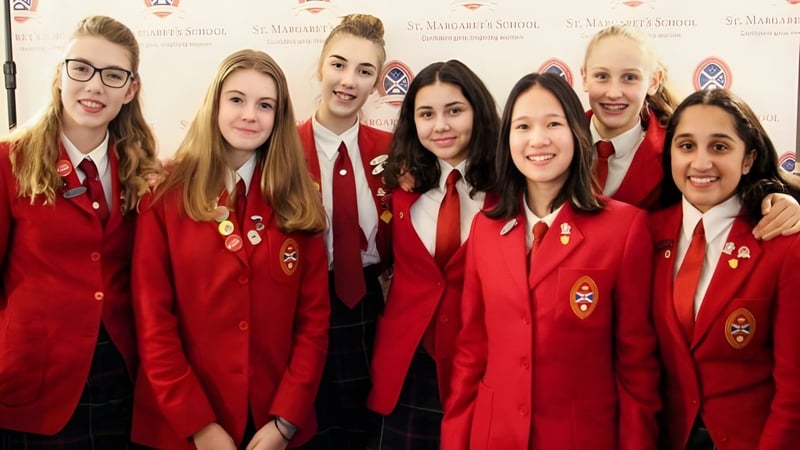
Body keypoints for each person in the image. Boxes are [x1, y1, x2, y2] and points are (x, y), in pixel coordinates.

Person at [441, 73, 660, 450]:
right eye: (523, 126)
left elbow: (636, 368)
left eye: (553, 124)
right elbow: (471, 352)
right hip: (493, 436)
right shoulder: (485, 230)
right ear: (507, 139)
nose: (538, 140)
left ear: (577, 132)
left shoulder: (624, 229)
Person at [130, 49, 330, 450]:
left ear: (279, 116)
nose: (250, 115)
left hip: (271, 424)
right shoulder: (165, 193)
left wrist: (287, 421)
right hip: (183, 426)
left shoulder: (298, 198)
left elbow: (313, 323)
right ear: (214, 105)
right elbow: (154, 322)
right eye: (236, 99)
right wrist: (198, 425)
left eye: (265, 105)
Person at [0, 15, 160, 448]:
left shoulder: (145, 171)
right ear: (59, 75)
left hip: (121, 377)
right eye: (81, 68)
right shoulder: (8, 161)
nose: (94, 86)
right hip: (32, 383)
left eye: (112, 76)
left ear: (130, 89)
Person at [650, 88, 800, 450]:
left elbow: (794, 389)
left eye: (719, 147)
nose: (701, 163)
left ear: (748, 159)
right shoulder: (645, 234)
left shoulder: (782, 243)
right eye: (686, 146)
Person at [366, 60, 500, 450]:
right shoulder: (400, 188)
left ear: (479, 112)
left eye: (454, 111)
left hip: (480, 368)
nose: (440, 126)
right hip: (405, 368)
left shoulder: (510, 192)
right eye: (427, 114)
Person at [581, 24, 800, 239]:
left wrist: (781, 200)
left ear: (654, 81)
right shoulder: (558, 141)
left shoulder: (682, 148)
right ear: (584, 78)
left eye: (630, 77)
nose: (614, 92)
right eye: (601, 76)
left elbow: (737, 186)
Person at [295, 13, 392, 450]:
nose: (348, 80)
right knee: (306, 426)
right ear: (319, 67)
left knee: (365, 429)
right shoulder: (281, 148)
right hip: (298, 306)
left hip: (370, 307)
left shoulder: (393, 151)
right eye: (338, 64)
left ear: (376, 84)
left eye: (364, 71)